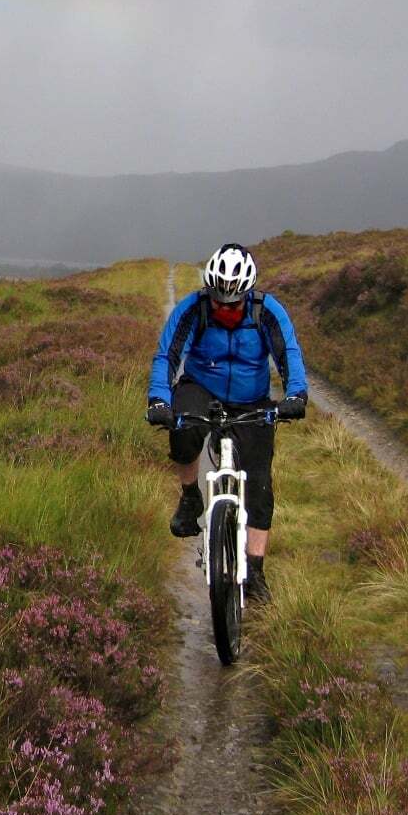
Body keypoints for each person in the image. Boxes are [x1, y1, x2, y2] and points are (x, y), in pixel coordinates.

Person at [145, 243, 308, 603]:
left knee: (260, 486)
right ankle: (190, 498)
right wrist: (159, 399)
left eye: (233, 304)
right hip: (203, 386)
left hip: (252, 400)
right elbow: (167, 355)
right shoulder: (194, 308)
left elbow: (289, 354)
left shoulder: (268, 312)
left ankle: (256, 570)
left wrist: (296, 395)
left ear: (247, 294)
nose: (224, 308)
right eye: (218, 301)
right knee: (183, 430)